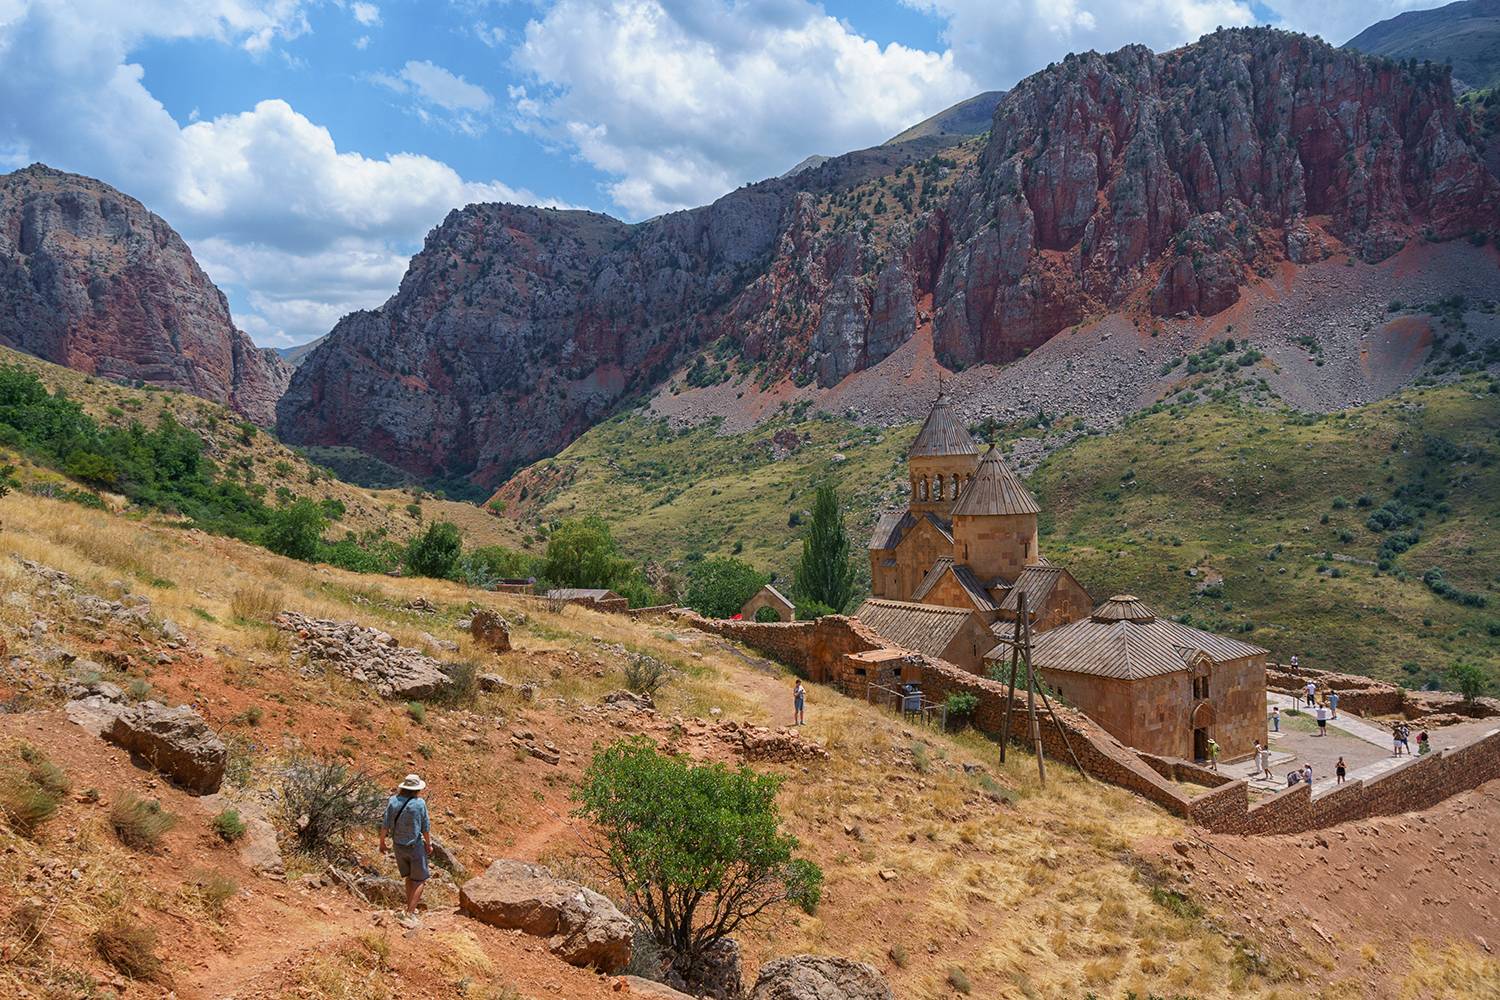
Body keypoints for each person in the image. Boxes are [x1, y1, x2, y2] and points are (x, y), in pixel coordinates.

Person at [380, 774, 433, 927]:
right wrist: (428, 844)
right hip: (414, 845)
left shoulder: (393, 801)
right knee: (420, 879)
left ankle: (410, 908)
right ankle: (409, 914)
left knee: (409, 877)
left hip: (398, 845)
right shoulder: (420, 803)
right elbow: (425, 827)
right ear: (417, 789)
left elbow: (385, 824)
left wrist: (382, 842)